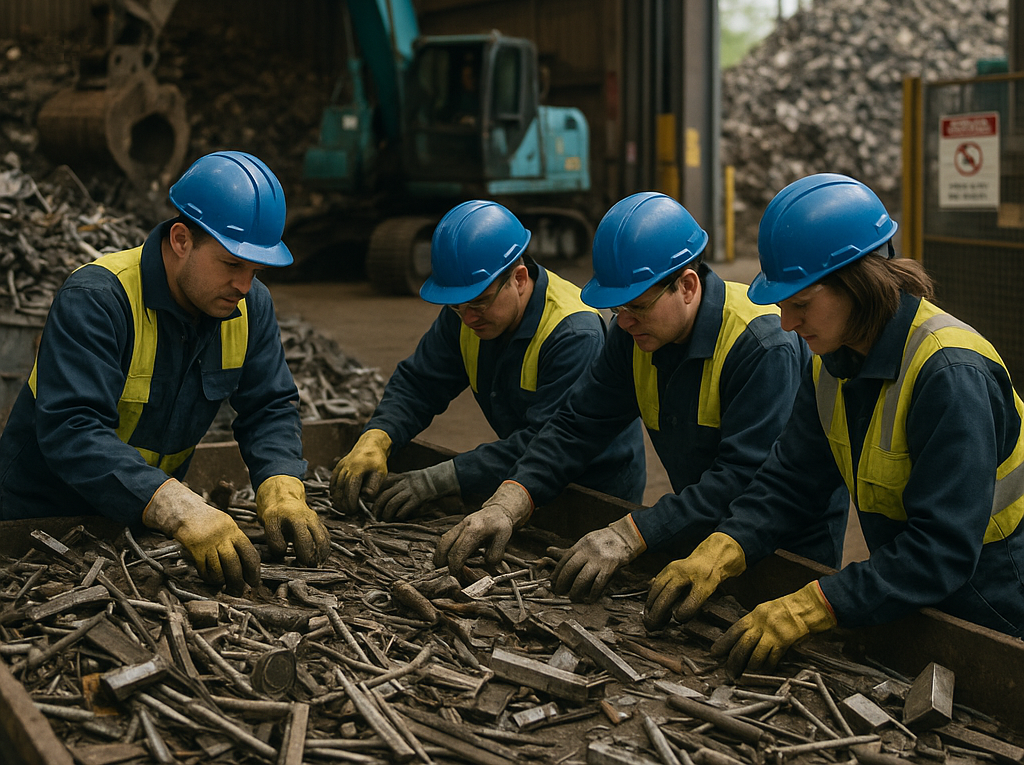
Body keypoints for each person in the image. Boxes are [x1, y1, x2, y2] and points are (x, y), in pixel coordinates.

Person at [644, 173, 1024, 678]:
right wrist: (722, 548)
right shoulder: (833, 360)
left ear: (860, 283)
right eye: (782, 305)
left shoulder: (949, 374)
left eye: (800, 305)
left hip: (992, 604)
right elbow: (791, 480)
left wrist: (811, 605)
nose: (786, 324)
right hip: (909, 591)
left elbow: (939, 552)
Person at [433, 192, 847, 592]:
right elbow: (579, 423)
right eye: (619, 309)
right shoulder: (632, 333)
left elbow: (745, 477)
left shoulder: (759, 346)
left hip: (787, 541)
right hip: (705, 523)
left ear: (686, 285)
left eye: (638, 306)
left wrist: (633, 533)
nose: (625, 322)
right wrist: (511, 499)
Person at [0, 151, 330, 592]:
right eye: (232, 264)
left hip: (135, 529)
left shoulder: (250, 306)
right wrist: (177, 506)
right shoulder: (98, 299)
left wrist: (281, 480)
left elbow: (268, 405)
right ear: (180, 240)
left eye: (256, 269)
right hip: (37, 527)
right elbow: (72, 428)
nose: (245, 285)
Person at [329, 199, 647, 520]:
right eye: (457, 306)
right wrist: (378, 437)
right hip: (520, 476)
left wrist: (438, 479)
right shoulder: (468, 306)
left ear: (519, 278)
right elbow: (420, 383)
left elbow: (547, 441)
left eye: (479, 304)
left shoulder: (574, 333)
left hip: (592, 490)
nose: (467, 318)